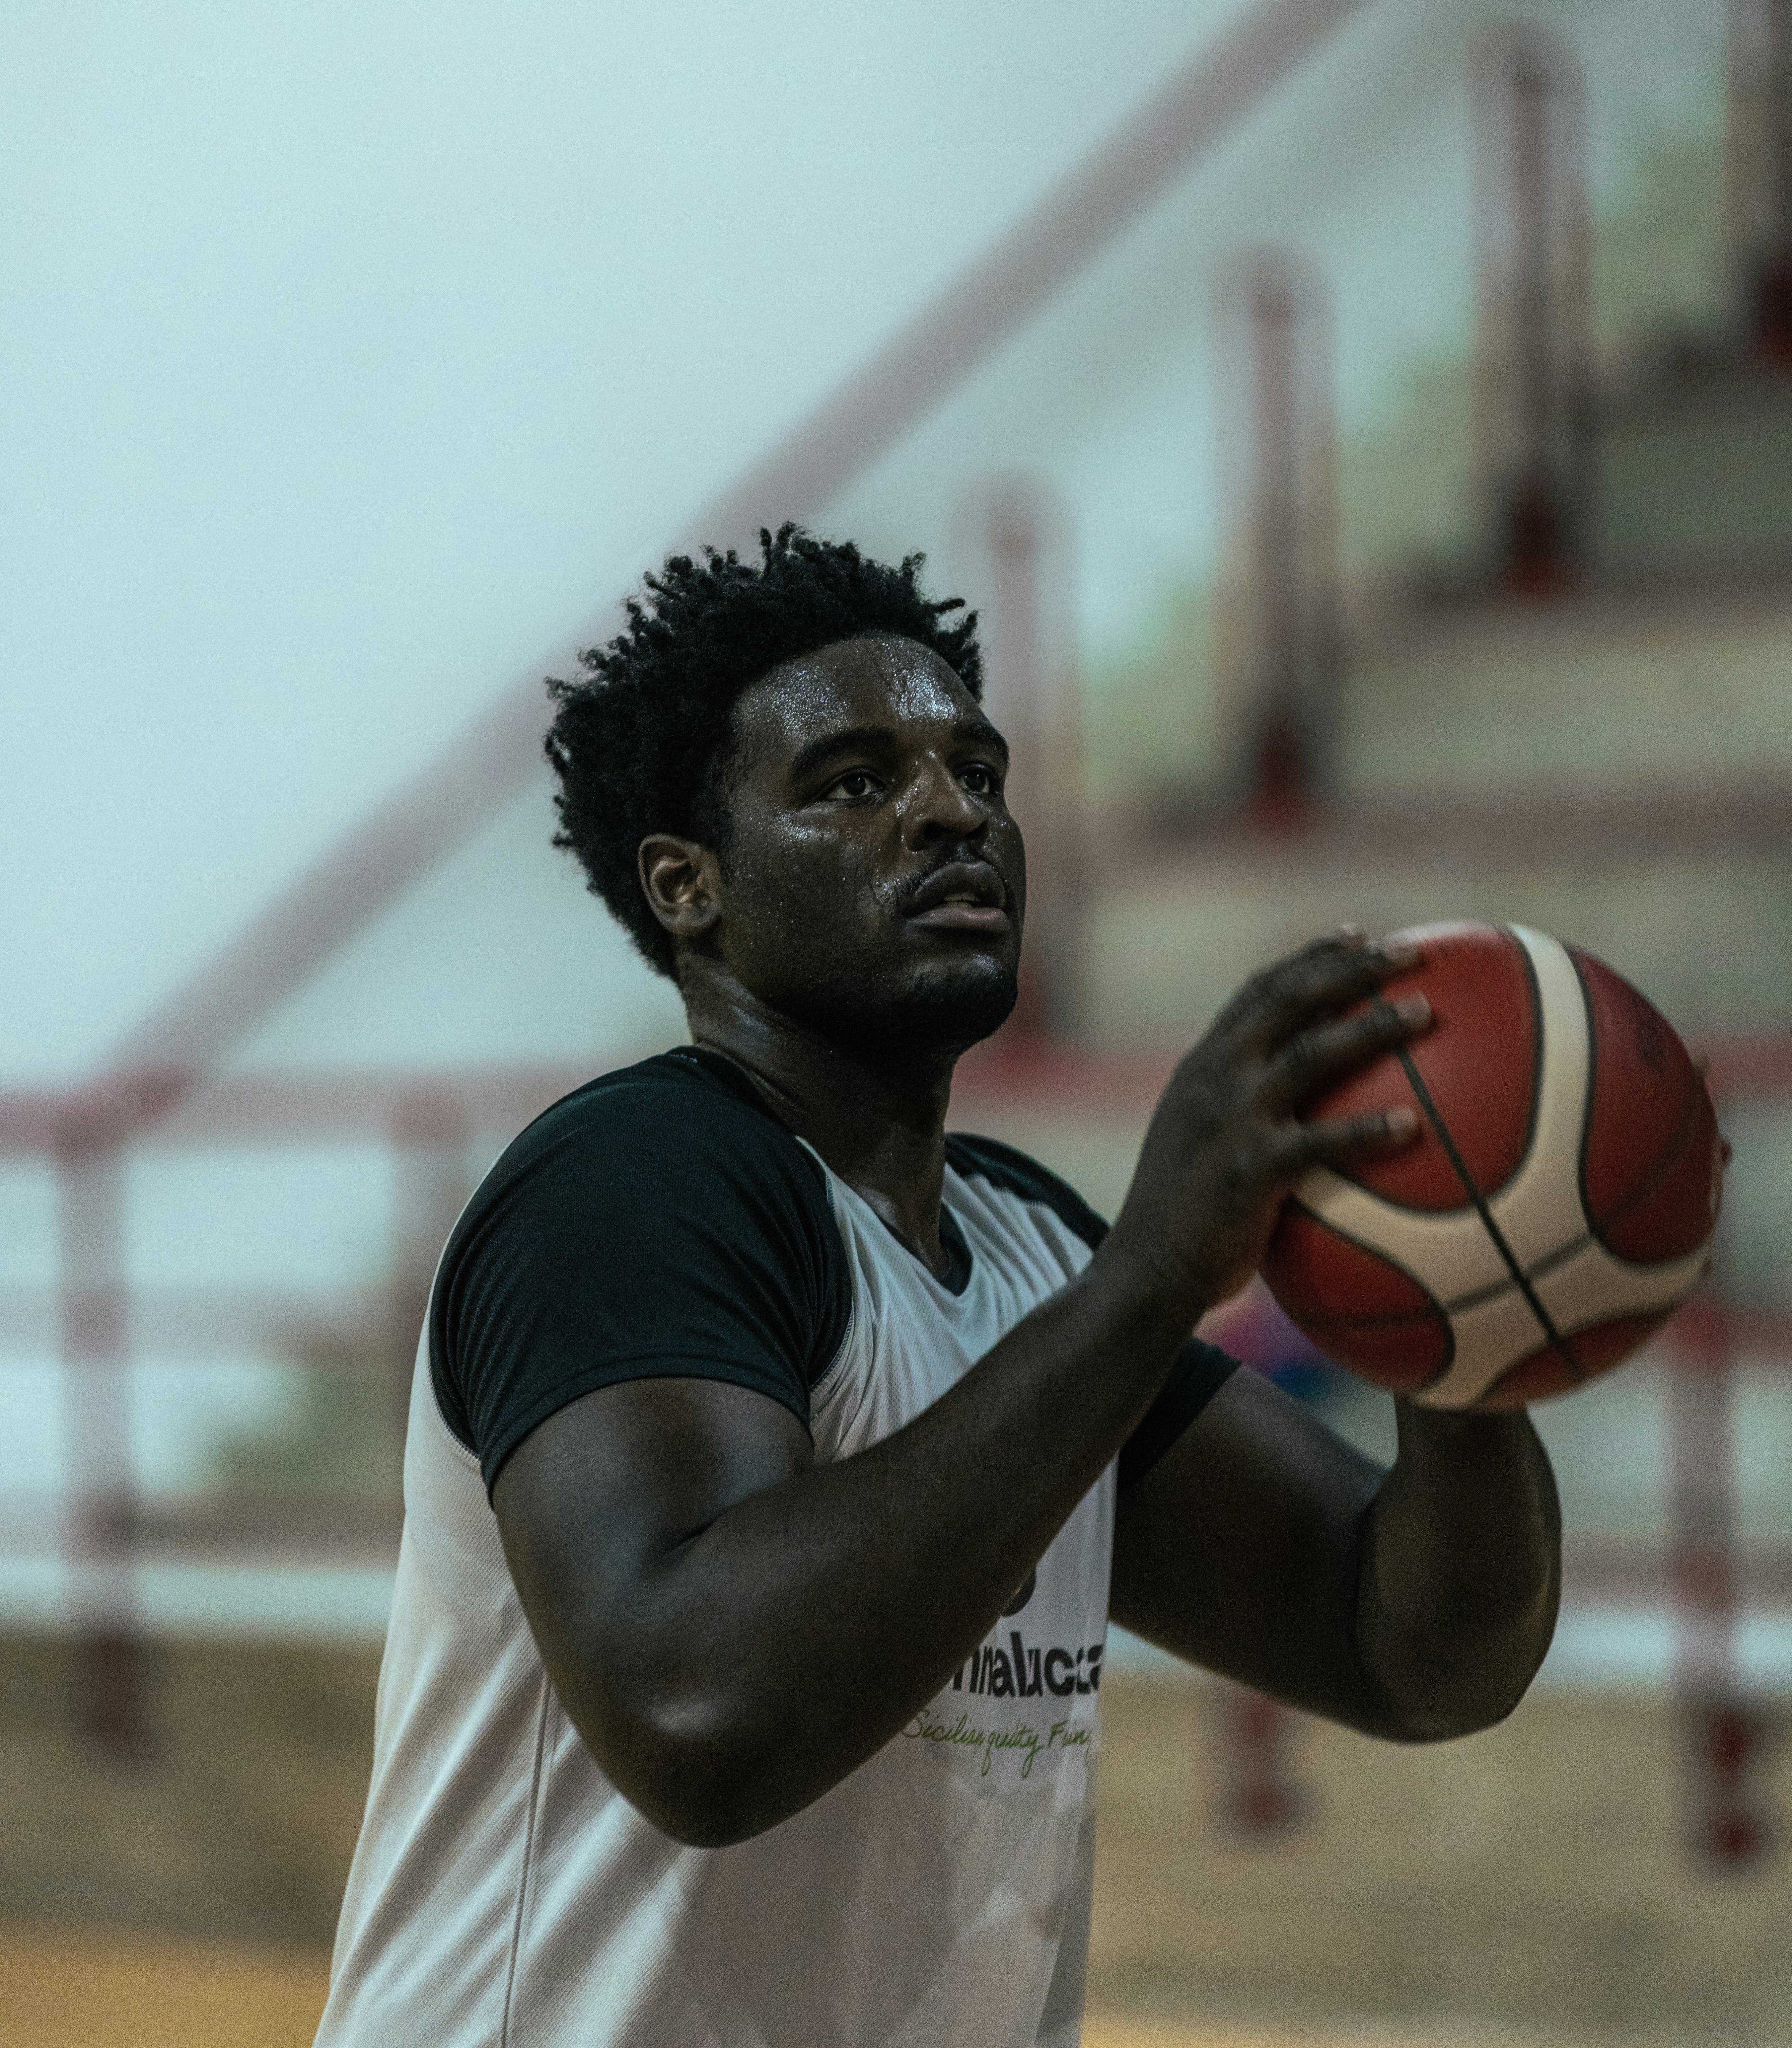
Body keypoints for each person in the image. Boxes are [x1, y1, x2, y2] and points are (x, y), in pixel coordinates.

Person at [315, 526, 1561, 2048]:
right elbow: (700, 1712)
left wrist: (1471, 1334)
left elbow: (1408, 1645)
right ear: (688, 886)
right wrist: (1161, 1269)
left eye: (977, 769)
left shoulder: (1034, 1245)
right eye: (853, 780)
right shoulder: (630, 1185)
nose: (947, 813)